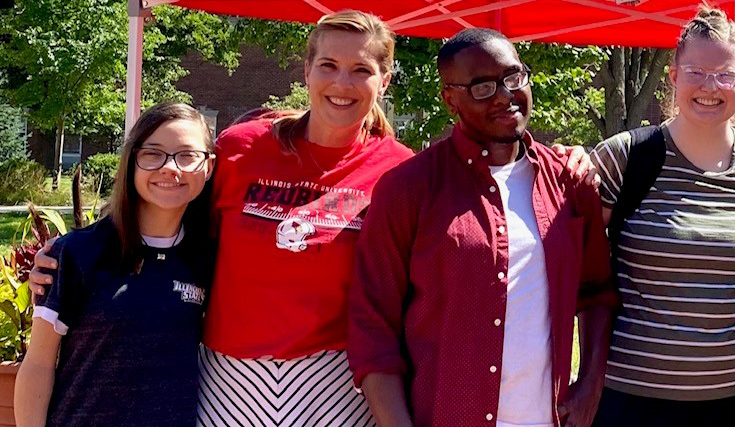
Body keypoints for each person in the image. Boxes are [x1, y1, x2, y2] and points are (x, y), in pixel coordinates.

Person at [29, 10, 414, 426]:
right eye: (328, 66)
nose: (342, 83)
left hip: (333, 381)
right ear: (306, 70)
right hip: (228, 375)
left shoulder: (399, 170)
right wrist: (70, 256)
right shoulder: (241, 148)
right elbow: (168, 211)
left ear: (384, 80)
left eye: (361, 69)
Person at [346, 28, 615, 427]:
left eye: (513, 77)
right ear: (449, 99)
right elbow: (372, 325)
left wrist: (591, 383)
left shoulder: (568, 182)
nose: (505, 95)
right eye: (482, 87)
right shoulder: (408, 188)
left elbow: (597, 293)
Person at [586, 7, 735, 426]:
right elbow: (579, 270)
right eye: (695, 73)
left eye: (725, 75)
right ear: (672, 76)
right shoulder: (624, 158)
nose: (710, 86)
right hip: (635, 402)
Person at [15, 102, 217, 426]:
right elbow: (38, 364)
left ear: (208, 167)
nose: (170, 167)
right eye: (153, 153)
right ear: (132, 161)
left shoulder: (208, 258)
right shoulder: (77, 253)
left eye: (186, 155)